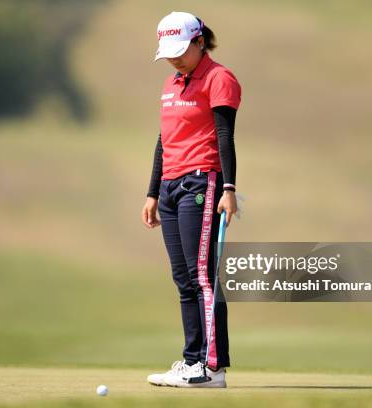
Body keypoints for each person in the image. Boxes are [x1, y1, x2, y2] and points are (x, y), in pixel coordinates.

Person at [141, 11, 242, 388]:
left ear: (201, 41)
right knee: (183, 279)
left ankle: (212, 368)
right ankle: (191, 361)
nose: (174, 58)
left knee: (203, 277)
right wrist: (152, 191)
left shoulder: (220, 78)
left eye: (182, 50)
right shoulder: (171, 83)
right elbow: (164, 140)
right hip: (169, 186)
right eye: (169, 52)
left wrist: (229, 189)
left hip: (201, 183)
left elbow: (224, 136)